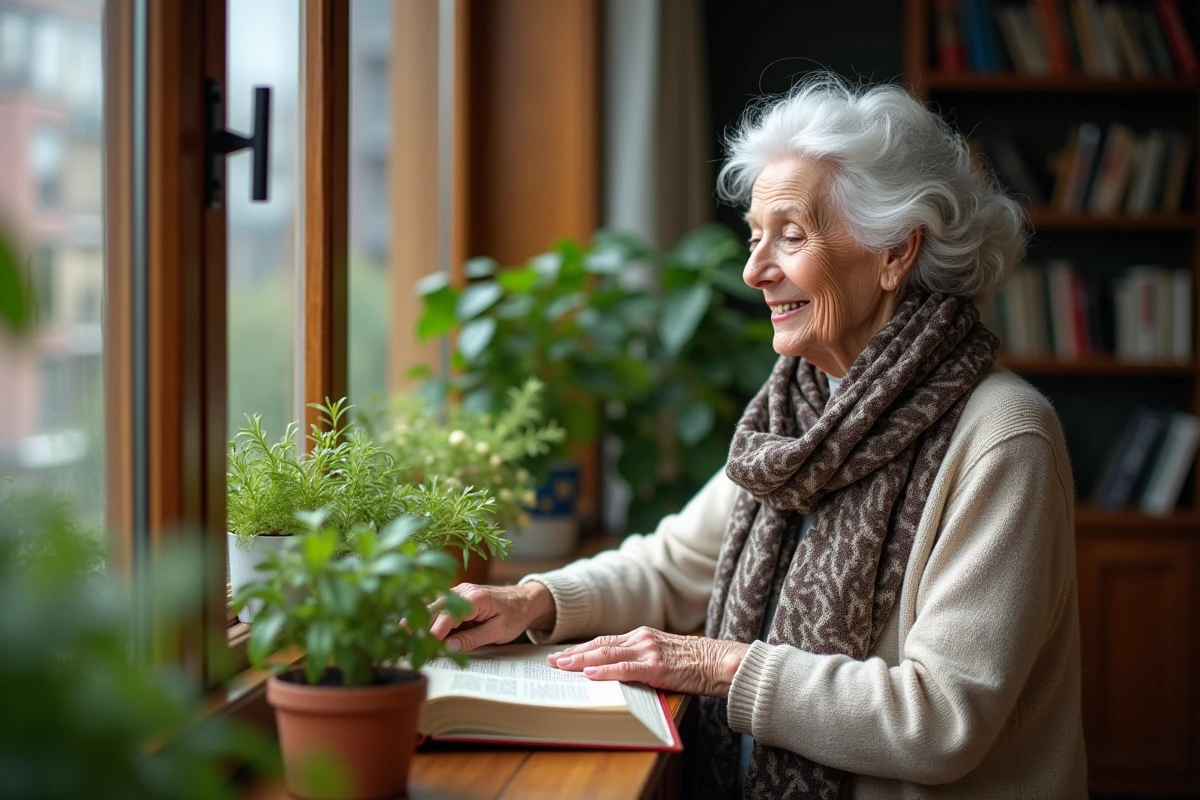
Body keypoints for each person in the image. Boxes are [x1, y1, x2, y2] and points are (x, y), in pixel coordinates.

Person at [431, 73, 1087, 799]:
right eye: (754, 238)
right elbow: (673, 566)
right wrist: (531, 601)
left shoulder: (1003, 437)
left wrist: (718, 666)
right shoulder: (799, 409)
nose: (754, 270)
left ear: (896, 253)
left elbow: (940, 720)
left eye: (791, 236)